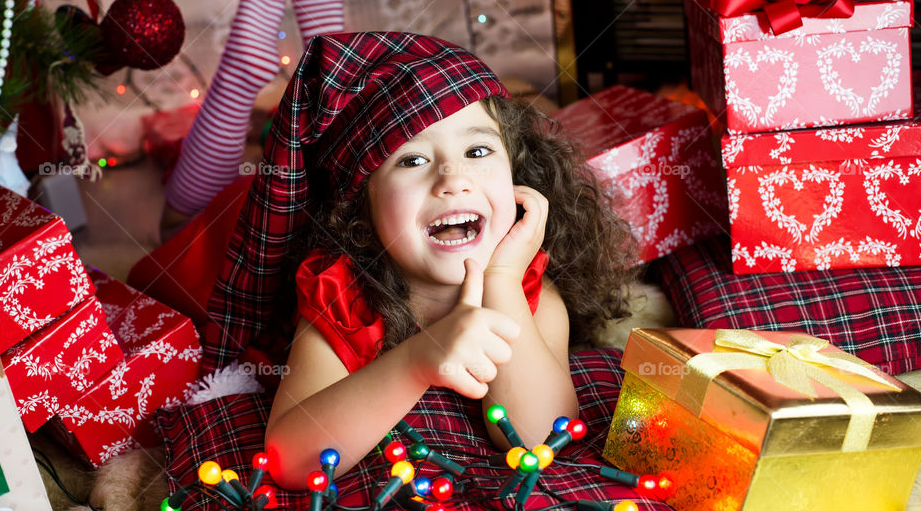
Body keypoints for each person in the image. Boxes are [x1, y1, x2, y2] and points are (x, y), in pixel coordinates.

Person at [220, 32, 638, 489]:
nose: (453, 179)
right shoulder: (343, 296)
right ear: (360, 206)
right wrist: (419, 360)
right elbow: (292, 460)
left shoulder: (530, 286)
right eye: (412, 160)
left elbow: (540, 435)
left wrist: (500, 280)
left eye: (477, 152)